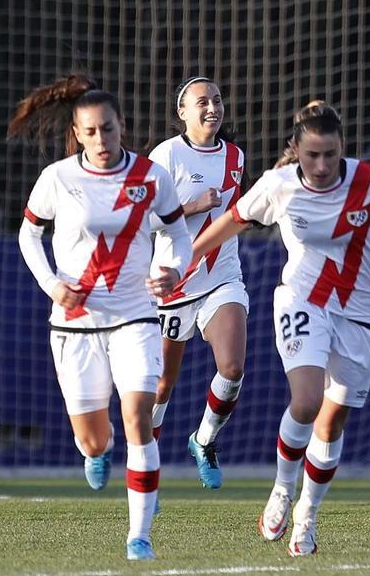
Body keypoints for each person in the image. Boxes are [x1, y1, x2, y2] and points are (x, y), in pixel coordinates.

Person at [189, 100, 370, 556]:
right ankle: (281, 490)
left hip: (360, 313)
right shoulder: (278, 186)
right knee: (307, 399)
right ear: (295, 149)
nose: (320, 165)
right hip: (302, 301)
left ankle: (307, 517)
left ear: (342, 150)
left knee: (331, 425)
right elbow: (231, 222)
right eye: (311, 154)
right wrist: (184, 259)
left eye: (330, 155)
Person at [11, 74, 192, 560]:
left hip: (135, 316)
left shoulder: (151, 177)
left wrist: (170, 268)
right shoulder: (58, 178)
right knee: (93, 440)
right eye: (90, 132)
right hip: (75, 324)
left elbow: (177, 233)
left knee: (138, 415)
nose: (101, 140)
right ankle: (97, 451)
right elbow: (29, 236)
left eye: (108, 129)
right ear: (77, 133)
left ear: (122, 127)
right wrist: (54, 285)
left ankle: (140, 536)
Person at [148, 76, 248, 489]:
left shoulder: (236, 156)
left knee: (233, 366)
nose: (212, 108)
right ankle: (145, 456)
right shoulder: (165, 155)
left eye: (218, 100)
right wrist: (190, 205)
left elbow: (231, 217)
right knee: (161, 382)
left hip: (222, 276)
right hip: (173, 282)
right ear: (182, 112)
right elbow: (142, 218)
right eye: (202, 101)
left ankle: (203, 440)